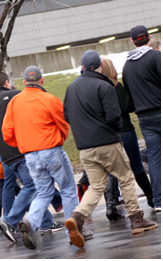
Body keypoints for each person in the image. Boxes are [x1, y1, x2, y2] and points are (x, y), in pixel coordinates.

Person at [63, 50, 158, 248]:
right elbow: (114, 117)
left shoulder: (71, 88)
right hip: (107, 143)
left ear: (82, 66)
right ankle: (137, 219)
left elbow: (66, 115)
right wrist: (112, 131)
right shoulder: (103, 85)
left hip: (85, 147)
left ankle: (77, 217)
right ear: (98, 66)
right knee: (125, 177)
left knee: (97, 185)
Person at [2, 66, 81, 250]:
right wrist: (59, 139)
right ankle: (74, 230)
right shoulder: (49, 99)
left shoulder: (14, 102)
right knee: (68, 189)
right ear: (42, 80)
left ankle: (31, 221)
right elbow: (63, 124)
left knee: (43, 192)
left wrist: (23, 144)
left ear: (24, 83)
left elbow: (7, 133)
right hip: (51, 150)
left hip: (30, 155)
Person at [0, 72, 61, 245]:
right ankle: (10, 220)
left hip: (3, 154)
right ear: (6, 83)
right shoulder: (16, 95)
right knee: (33, 186)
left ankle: (46, 222)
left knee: (20, 187)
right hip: (21, 149)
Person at [101, 59, 154, 210]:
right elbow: (129, 107)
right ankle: (150, 196)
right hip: (126, 131)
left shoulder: (99, 89)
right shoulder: (119, 88)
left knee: (113, 169)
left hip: (109, 134)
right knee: (136, 165)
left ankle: (111, 204)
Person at [122, 25, 161, 212]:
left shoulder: (127, 66)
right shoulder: (156, 57)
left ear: (132, 41)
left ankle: (159, 200)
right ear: (148, 37)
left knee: (154, 158)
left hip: (144, 118)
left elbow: (128, 93)